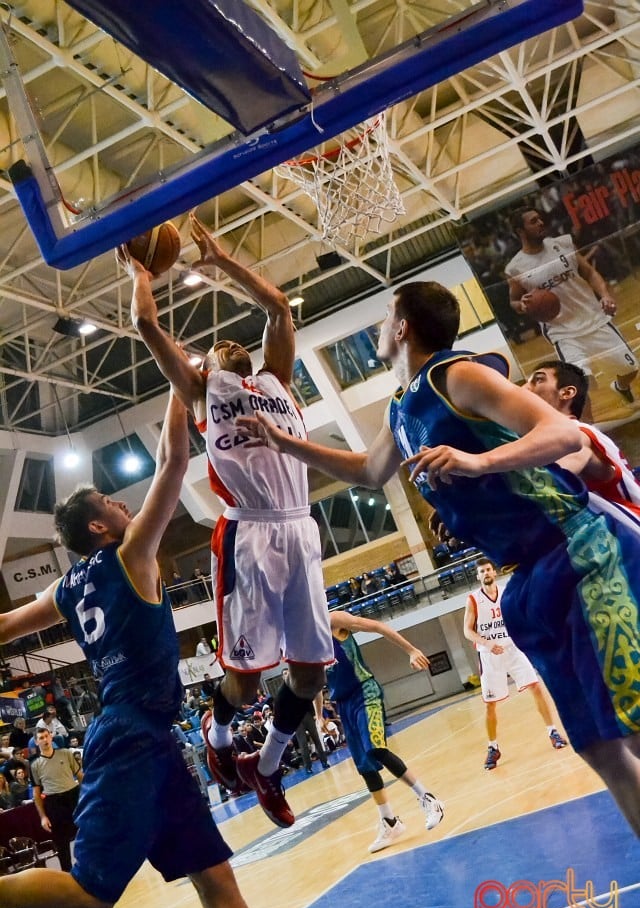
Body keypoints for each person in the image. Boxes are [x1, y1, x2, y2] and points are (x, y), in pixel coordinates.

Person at [236, 278, 640, 837]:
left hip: (577, 552)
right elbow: (366, 471)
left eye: (384, 318)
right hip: (526, 581)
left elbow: (563, 433)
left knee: (634, 728)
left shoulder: (458, 375)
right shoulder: (401, 409)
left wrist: (479, 463)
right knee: (599, 749)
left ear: (402, 327)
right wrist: (282, 442)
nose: (379, 328)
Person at [0, 392, 270, 908]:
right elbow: (173, 461)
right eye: (110, 502)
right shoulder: (131, 553)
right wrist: (178, 384)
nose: (124, 505)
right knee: (93, 892)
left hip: (152, 737)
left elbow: (3, 626)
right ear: (100, 525)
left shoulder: (65, 589)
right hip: (128, 733)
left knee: (213, 873)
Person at [117, 213, 333, 830]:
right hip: (249, 536)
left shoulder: (277, 379)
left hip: (300, 528)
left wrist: (221, 261)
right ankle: (217, 737)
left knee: (311, 676)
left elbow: (277, 312)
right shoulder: (200, 393)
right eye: (214, 350)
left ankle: (266, 768)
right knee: (245, 681)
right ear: (207, 371)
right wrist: (140, 273)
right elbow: (144, 324)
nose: (226, 345)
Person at [325, 610, 444, 853]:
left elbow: (378, 626)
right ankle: (390, 822)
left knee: (377, 749)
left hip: (364, 692)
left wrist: (411, 650)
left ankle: (430, 800)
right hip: (343, 704)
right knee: (365, 767)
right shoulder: (306, 640)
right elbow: (315, 680)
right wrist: (318, 716)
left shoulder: (333, 620)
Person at [505, 206, 639, 405]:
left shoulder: (563, 243)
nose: (541, 223)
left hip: (595, 319)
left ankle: (620, 386)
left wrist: (604, 295)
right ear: (520, 231)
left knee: (630, 370)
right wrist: (522, 305)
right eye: (533, 221)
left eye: (540, 218)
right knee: (578, 383)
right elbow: (514, 301)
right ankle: (585, 429)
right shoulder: (515, 267)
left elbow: (589, 272)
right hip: (563, 333)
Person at [464, 558, 567, 770]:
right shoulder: (473, 599)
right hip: (489, 655)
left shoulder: (506, 593)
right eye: (482, 571)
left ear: (494, 572)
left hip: (512, 649)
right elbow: (467, 631)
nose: (486, 573)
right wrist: (487, 643)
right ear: (478, 576)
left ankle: (553, 732)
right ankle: (493, 747)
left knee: (536, 688)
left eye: (488, 569)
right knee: (490, 705)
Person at [524, 360, 640, 514]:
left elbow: (542, 490)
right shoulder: (572, 432)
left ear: (566, 393)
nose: (524, 388)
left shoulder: (574, 435)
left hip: (630, 528)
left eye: (538, 380)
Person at [30, 727, 82, 872]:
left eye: (47, 736)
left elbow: (81, 777)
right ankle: (67, 875)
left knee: (87, 833)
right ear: (36, 741)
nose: (45, 739)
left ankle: (94, 867)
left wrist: (88, 797)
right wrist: (43, 817)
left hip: (73, 796)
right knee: (61, 843)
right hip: (54, 803)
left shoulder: (66, 753)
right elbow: (36, 794)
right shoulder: (34, 765)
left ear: (51, 737)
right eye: (41, 737)